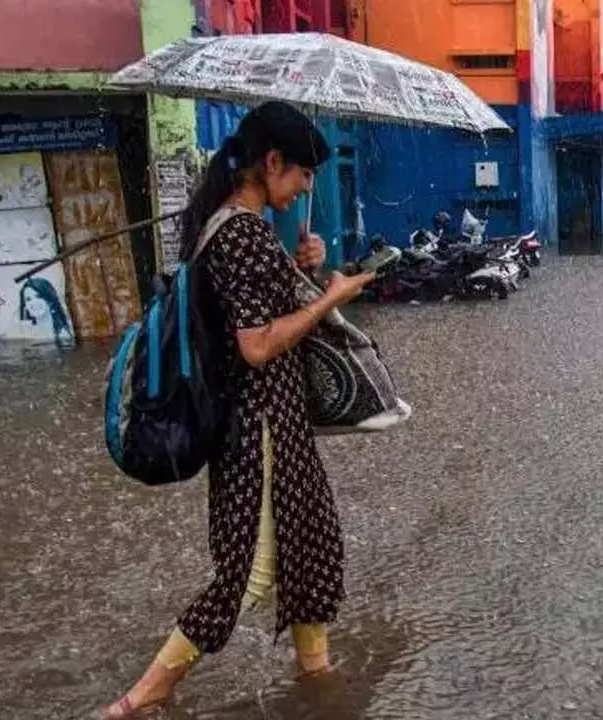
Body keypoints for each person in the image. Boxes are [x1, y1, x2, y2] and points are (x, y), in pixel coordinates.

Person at [100, 101, 375, 719]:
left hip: (280, 425)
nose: (308, 185)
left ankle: (317, 679)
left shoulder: (236, 228)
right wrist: (332, 294)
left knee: (313, 547)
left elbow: (260, 312)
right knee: (243, 579)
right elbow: (256, 345)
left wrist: (306, 268)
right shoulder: (242, 232)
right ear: (271, 163)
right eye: (303, 172)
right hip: (261, 430)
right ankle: (138, 701)